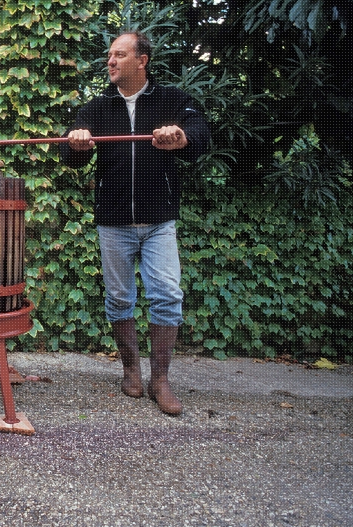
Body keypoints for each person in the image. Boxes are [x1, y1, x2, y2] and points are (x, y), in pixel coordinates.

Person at [60, 31, 210, 415]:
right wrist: (75, 141)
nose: (110, 61)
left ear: (142, 60)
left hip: (159, 221)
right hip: (113, 222)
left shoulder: (171, 100)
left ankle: (160, 380)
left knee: (167, 295)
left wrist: (181, 137)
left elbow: (200, 135)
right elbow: (70, 156)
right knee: (119, 298)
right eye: (109, 55)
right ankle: (131, 371)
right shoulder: (97, 108)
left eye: (120, 55)